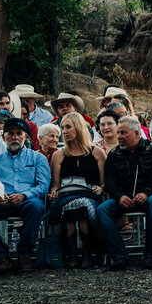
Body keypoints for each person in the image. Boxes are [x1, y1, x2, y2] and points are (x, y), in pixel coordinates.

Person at [97, 116, 152, 270]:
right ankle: (119, 255)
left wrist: (147, 192)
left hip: (150, 195)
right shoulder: (114, 154)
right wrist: (119, 196)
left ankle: (151, 255)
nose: (120, 137)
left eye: (124, 133)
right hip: (124, 197)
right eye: (119, 133)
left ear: (137, 133)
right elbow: (110, 182)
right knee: (102, 209)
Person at [0, 118, 50, 271]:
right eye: (10, 134)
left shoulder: (37, 158)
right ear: (3, 137)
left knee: (35, 206)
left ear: (25, 137)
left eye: (19, 134)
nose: (15, 137)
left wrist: (24, 195)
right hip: (3, 202)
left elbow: (43, 186)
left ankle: (25, 254)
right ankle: (0, 253)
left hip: (27, 201)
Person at [48, 112, 108, 268]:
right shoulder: (59, 155)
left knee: (82, 204)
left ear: (79, 128)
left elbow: (103, 184)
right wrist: (54, 191)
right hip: (66, 194)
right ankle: (74, 252)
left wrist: (100, 189)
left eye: (68, 127)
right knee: (72, 205)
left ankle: (85, 251)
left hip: (90, 194)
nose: (64, 131)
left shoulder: (97, 153)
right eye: (62, 128)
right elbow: (55, 184)